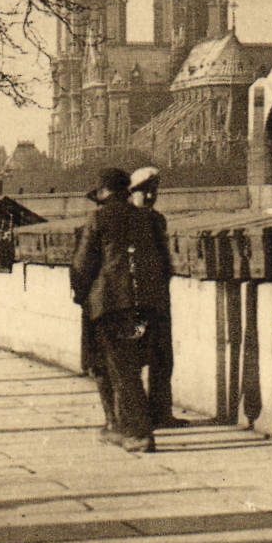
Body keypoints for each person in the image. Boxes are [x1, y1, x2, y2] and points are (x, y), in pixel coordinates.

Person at [70, 167, 171, 453]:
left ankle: (138, 433)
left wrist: (82, 294)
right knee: (130, 365)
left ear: (103, 194)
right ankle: (121, 428)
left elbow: (82, 264)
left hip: (112, 305)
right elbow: (164, 263)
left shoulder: (98, 218)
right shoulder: (146, 219)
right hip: (146, 304)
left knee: (121, 368)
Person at [127, 167, 183, 429]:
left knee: (162, 358)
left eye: (154, 191)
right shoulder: (126, 220)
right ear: (132, 193)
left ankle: (161, 413)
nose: (150, 196)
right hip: (135, 301)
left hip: (158, 299)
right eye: (144, 191)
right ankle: (137, 417)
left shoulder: (158, 220)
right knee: (135, 357)